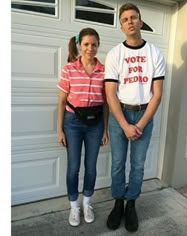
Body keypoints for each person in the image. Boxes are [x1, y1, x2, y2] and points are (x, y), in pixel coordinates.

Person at [104, 3, 166, 232]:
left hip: (143, 114)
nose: (129, 22)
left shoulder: (154, 53)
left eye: (133, 18)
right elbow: (110, 94)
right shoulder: (114, 54)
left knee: (138, 165)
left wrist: (139, 124)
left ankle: (131, 204)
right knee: (118, 163)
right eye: (125, 19)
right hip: (119, 113)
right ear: (122, 26)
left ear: (141, 22)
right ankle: (118, 202)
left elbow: (157, 95)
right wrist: (124, 124)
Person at [57, 28, 109, 227]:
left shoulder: (104, 71)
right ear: (80, 45)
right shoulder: (69, 69)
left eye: (94, 44)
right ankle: (74, 206)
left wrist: (104, 129)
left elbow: (106, 103)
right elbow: (61, 102)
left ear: (98, 46)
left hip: (95, 124)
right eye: (86, 44)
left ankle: (87, 203)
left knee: (91, 166)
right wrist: (60, 129)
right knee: (73, 167)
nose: (90, 48)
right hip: (73, 124)